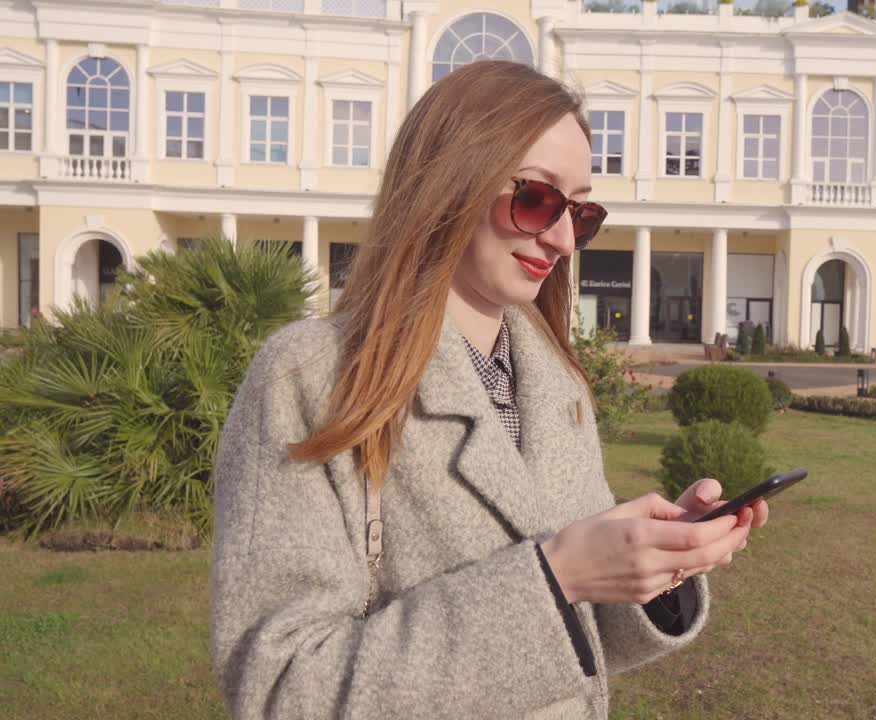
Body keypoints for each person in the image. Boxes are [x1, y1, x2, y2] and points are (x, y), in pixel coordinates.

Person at [210, 60, 769, 719]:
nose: (563, 239)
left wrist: (653, 569)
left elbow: (573, 642)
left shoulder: (557, 386)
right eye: (536, 199)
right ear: (448, 184)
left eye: (582, 212)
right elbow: (278, 689)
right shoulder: (311, 379)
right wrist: (557, 575)